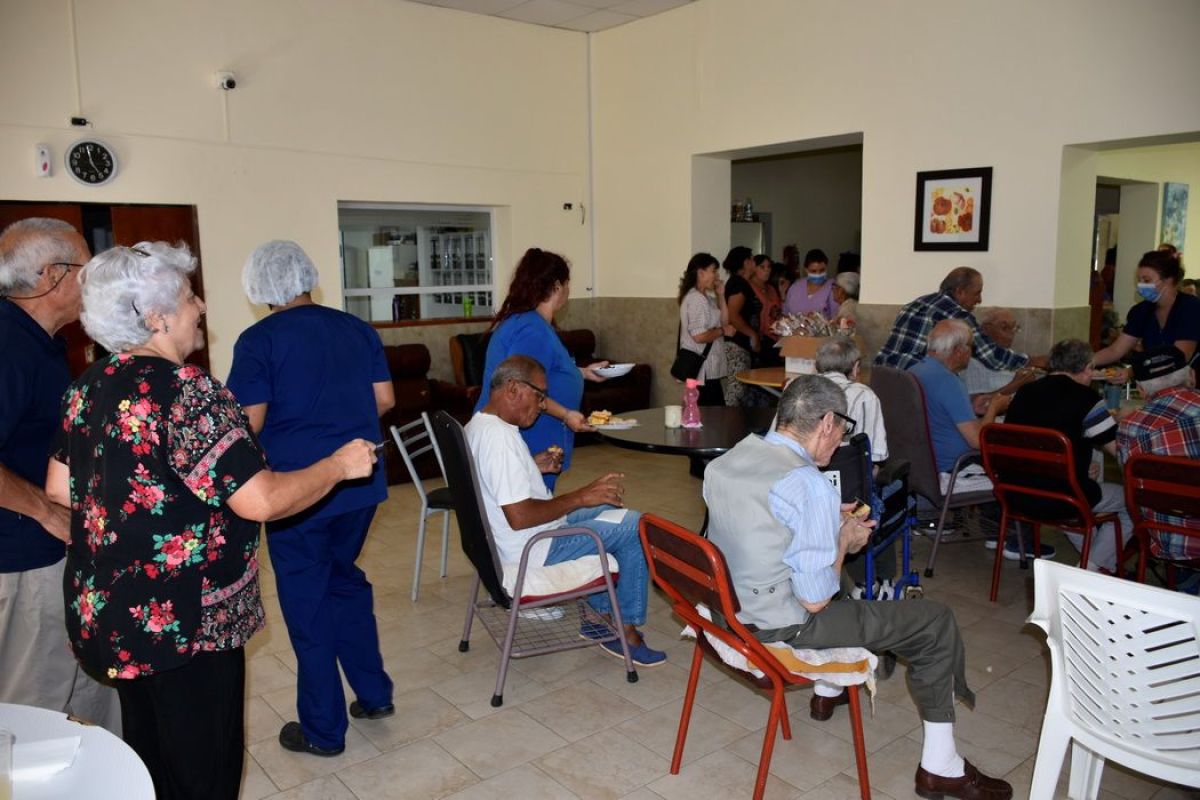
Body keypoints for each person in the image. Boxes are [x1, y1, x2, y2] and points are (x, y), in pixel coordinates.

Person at [45, 242, 377, 800]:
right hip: (187, 624)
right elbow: (262, 501)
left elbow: (60, 489)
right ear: (157, 317)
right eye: (188, 296)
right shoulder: (188, 391)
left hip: (115, 613)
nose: (200, 306)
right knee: (205, 771)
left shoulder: (88, 386)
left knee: (149, 756)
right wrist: (339, 465)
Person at [704, 375, 1013, 800]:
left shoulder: (731, 458)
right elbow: (815, 600)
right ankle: (941, 767)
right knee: (935, 621)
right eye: (843, 430)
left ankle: (828, 691)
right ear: (827, 423)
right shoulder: (808, 484)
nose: (840, 442)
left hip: (727, 607)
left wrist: (825, 520)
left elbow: (759, 526)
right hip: (778, 624)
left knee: (839, 578)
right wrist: (843, 542)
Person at [226, 240, 396, 758]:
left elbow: (248, 422)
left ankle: (323, 730)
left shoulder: (259, 340)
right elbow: (385, 399)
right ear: (307, 278)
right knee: (343, 580)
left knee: (308, 602)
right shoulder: (356, 328)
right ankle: (374, 695)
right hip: (360, 485)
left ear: (260, 288)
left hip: (298, 493)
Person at [466, 355, 666, 666]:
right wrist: (580, 497)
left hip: (523, 537)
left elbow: (492, 484)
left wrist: (531, 466)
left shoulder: (480, 425)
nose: (542, 405)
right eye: (539, 395)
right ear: (513, 388)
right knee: (634, 525)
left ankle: (599, 616)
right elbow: (520, 517)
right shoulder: (499, 440)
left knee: (609, 507)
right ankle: (622, 630)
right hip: (532, 548)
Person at [0, 218, 121, 732]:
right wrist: (43, 510)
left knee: (89, 688)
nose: (94, 281)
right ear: (52, 275)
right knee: (34, 710)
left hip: (56, 552)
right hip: (24, 559)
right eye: (86, 268)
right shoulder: (8, 345)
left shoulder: (43, 341)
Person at [909, 321, 1053, 559]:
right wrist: (994, 409)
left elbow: (940, 411)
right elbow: (978, 441)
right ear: (958, 350)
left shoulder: (917, 371)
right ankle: (1017, 542)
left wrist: (973, 406)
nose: (971, 352)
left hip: (925, 463)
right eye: (970, 347)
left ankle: (995, 533)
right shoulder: (949, 381)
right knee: (1018, 464)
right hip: (954, 466)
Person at [476, 248, 609, 490]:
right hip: (529, 434)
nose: (568, 290)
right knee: (530, 504)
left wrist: (581, 373)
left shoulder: (530, 323)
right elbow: (523, 388)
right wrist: (567, 415)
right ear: (557, 286)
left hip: (531, 432)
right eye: (567, 284)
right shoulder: (532, 330)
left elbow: (541, 370)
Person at [1004, 339, 1132, 573]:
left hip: (1015, 493)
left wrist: (1077, 466)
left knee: (1077, 485)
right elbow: (1119, 452)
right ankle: (1093, 568)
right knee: (1133, 502)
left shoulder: (1024, 393)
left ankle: (1094, 565)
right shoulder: (1086, 399)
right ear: (1086, 368)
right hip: (1062, 498)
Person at [815, 337, 896, 595]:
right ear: (856, 367)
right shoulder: (865, 396)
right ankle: (876, 580)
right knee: (880, 493)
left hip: (807, 490)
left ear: (817, 366)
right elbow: (877, 458)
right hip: (852, 501)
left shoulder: (798, 391)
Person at [1117, 346, 1200, 568]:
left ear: (1141, 389)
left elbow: (1131, 485)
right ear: (1191, 375)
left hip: (1167, 538)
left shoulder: (1130, 427)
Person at [874, 267, 1044, 372]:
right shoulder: (957, 316)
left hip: (884, 375)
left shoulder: (916, 303)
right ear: (960, 291)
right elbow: (991, 357)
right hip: (917, 380)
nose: (979, 300)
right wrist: (1032, 361)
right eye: (977, 293)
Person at [1094, 249, 1199, 373]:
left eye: (1147, 280)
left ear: (1168, 280)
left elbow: (1179, 358)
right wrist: (1086, 362)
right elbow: (1115, 350)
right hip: (1153, 380)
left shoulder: (1191, 308)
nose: (1140, 285)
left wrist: (1133, 371)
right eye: (1139, 280)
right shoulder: (1141, 311)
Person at [960, 308, 1039, 415]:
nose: (1011, 333)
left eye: (1014, 327)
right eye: (1004, 328)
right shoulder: (972, 363)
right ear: (985, 330)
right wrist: (1016, 384)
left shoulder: (1012, 358)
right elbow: (975, 407)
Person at [678, 252, 732, 406]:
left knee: (713, 414)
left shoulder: (706, 298)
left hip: (708, 370)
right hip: (702, 371)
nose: (717, 275)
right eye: (713, 271)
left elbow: (724, 321)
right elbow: (699, 336)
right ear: (701, 273)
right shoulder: (696, 299)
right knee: (710, 415)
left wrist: (721, 295)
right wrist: (722, 331)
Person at [721, 246, 761, 405]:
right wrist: (752, 334)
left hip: (741, 346)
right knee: (736, 389)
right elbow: (733, 315)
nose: (754, 262)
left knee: (740, 390)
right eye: (751, 259)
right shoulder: (738, 284)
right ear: (745, 263)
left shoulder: (743, 283)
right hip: (736, 345)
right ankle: (729, 419)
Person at [783, 248, 838, 319]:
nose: (818, 274)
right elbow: (786, 314)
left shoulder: (833, 288)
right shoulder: (795, 288)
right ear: (806, 270)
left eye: (822, 270)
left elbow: (836, 318)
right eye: (813, 271)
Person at [748, 254, 782, 365]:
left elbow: (778, 311)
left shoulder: (771, 288)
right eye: (762, 267)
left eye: (769, 267)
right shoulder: (749, 287)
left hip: (774, 337)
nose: (767, 270)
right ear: (754, 268)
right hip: (758, 337)